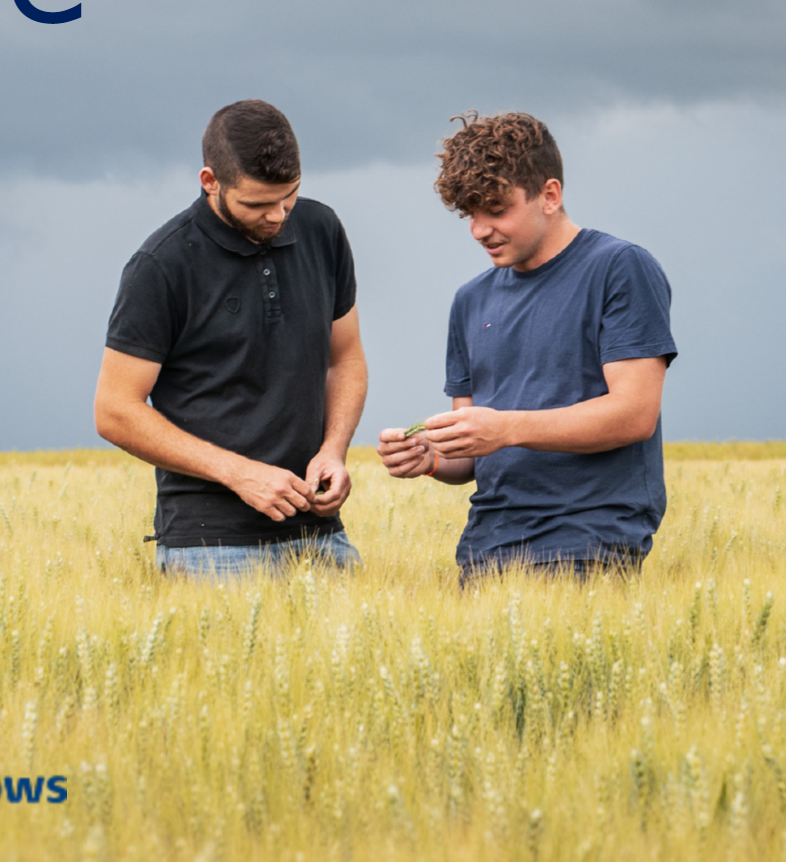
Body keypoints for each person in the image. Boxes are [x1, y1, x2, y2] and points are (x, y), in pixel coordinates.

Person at [377, 112, 677, 577]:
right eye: (470, 214)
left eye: (496, 210)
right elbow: (472, 454)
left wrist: (505, 428)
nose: (480, 230)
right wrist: (431, 457)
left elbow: (635, 414)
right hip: (483, 551)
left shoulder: (619, 268)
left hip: (588, 544)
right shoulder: (470, 300)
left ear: (550, 195)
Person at [94, 99, 367, 579]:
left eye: (289, 196)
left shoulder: (322, 230)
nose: (278, 215)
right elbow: (114, 410)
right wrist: (240, 474)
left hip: (321, 533)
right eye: (257, 204)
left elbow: (344, 359)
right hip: (210, 547)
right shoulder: (160, 266)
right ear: (210, 181)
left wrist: (333, 449)